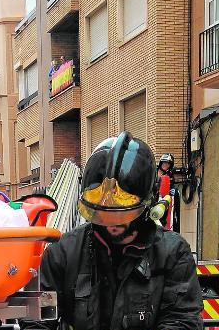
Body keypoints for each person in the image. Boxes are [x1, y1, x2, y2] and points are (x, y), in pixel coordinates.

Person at [40, 132, 202, 330]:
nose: (111, 224)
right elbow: (39, 319)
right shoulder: (63, 253)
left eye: (122, 216)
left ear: (147, 205)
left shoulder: (173, 253)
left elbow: (182, 321)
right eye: (102, 214)